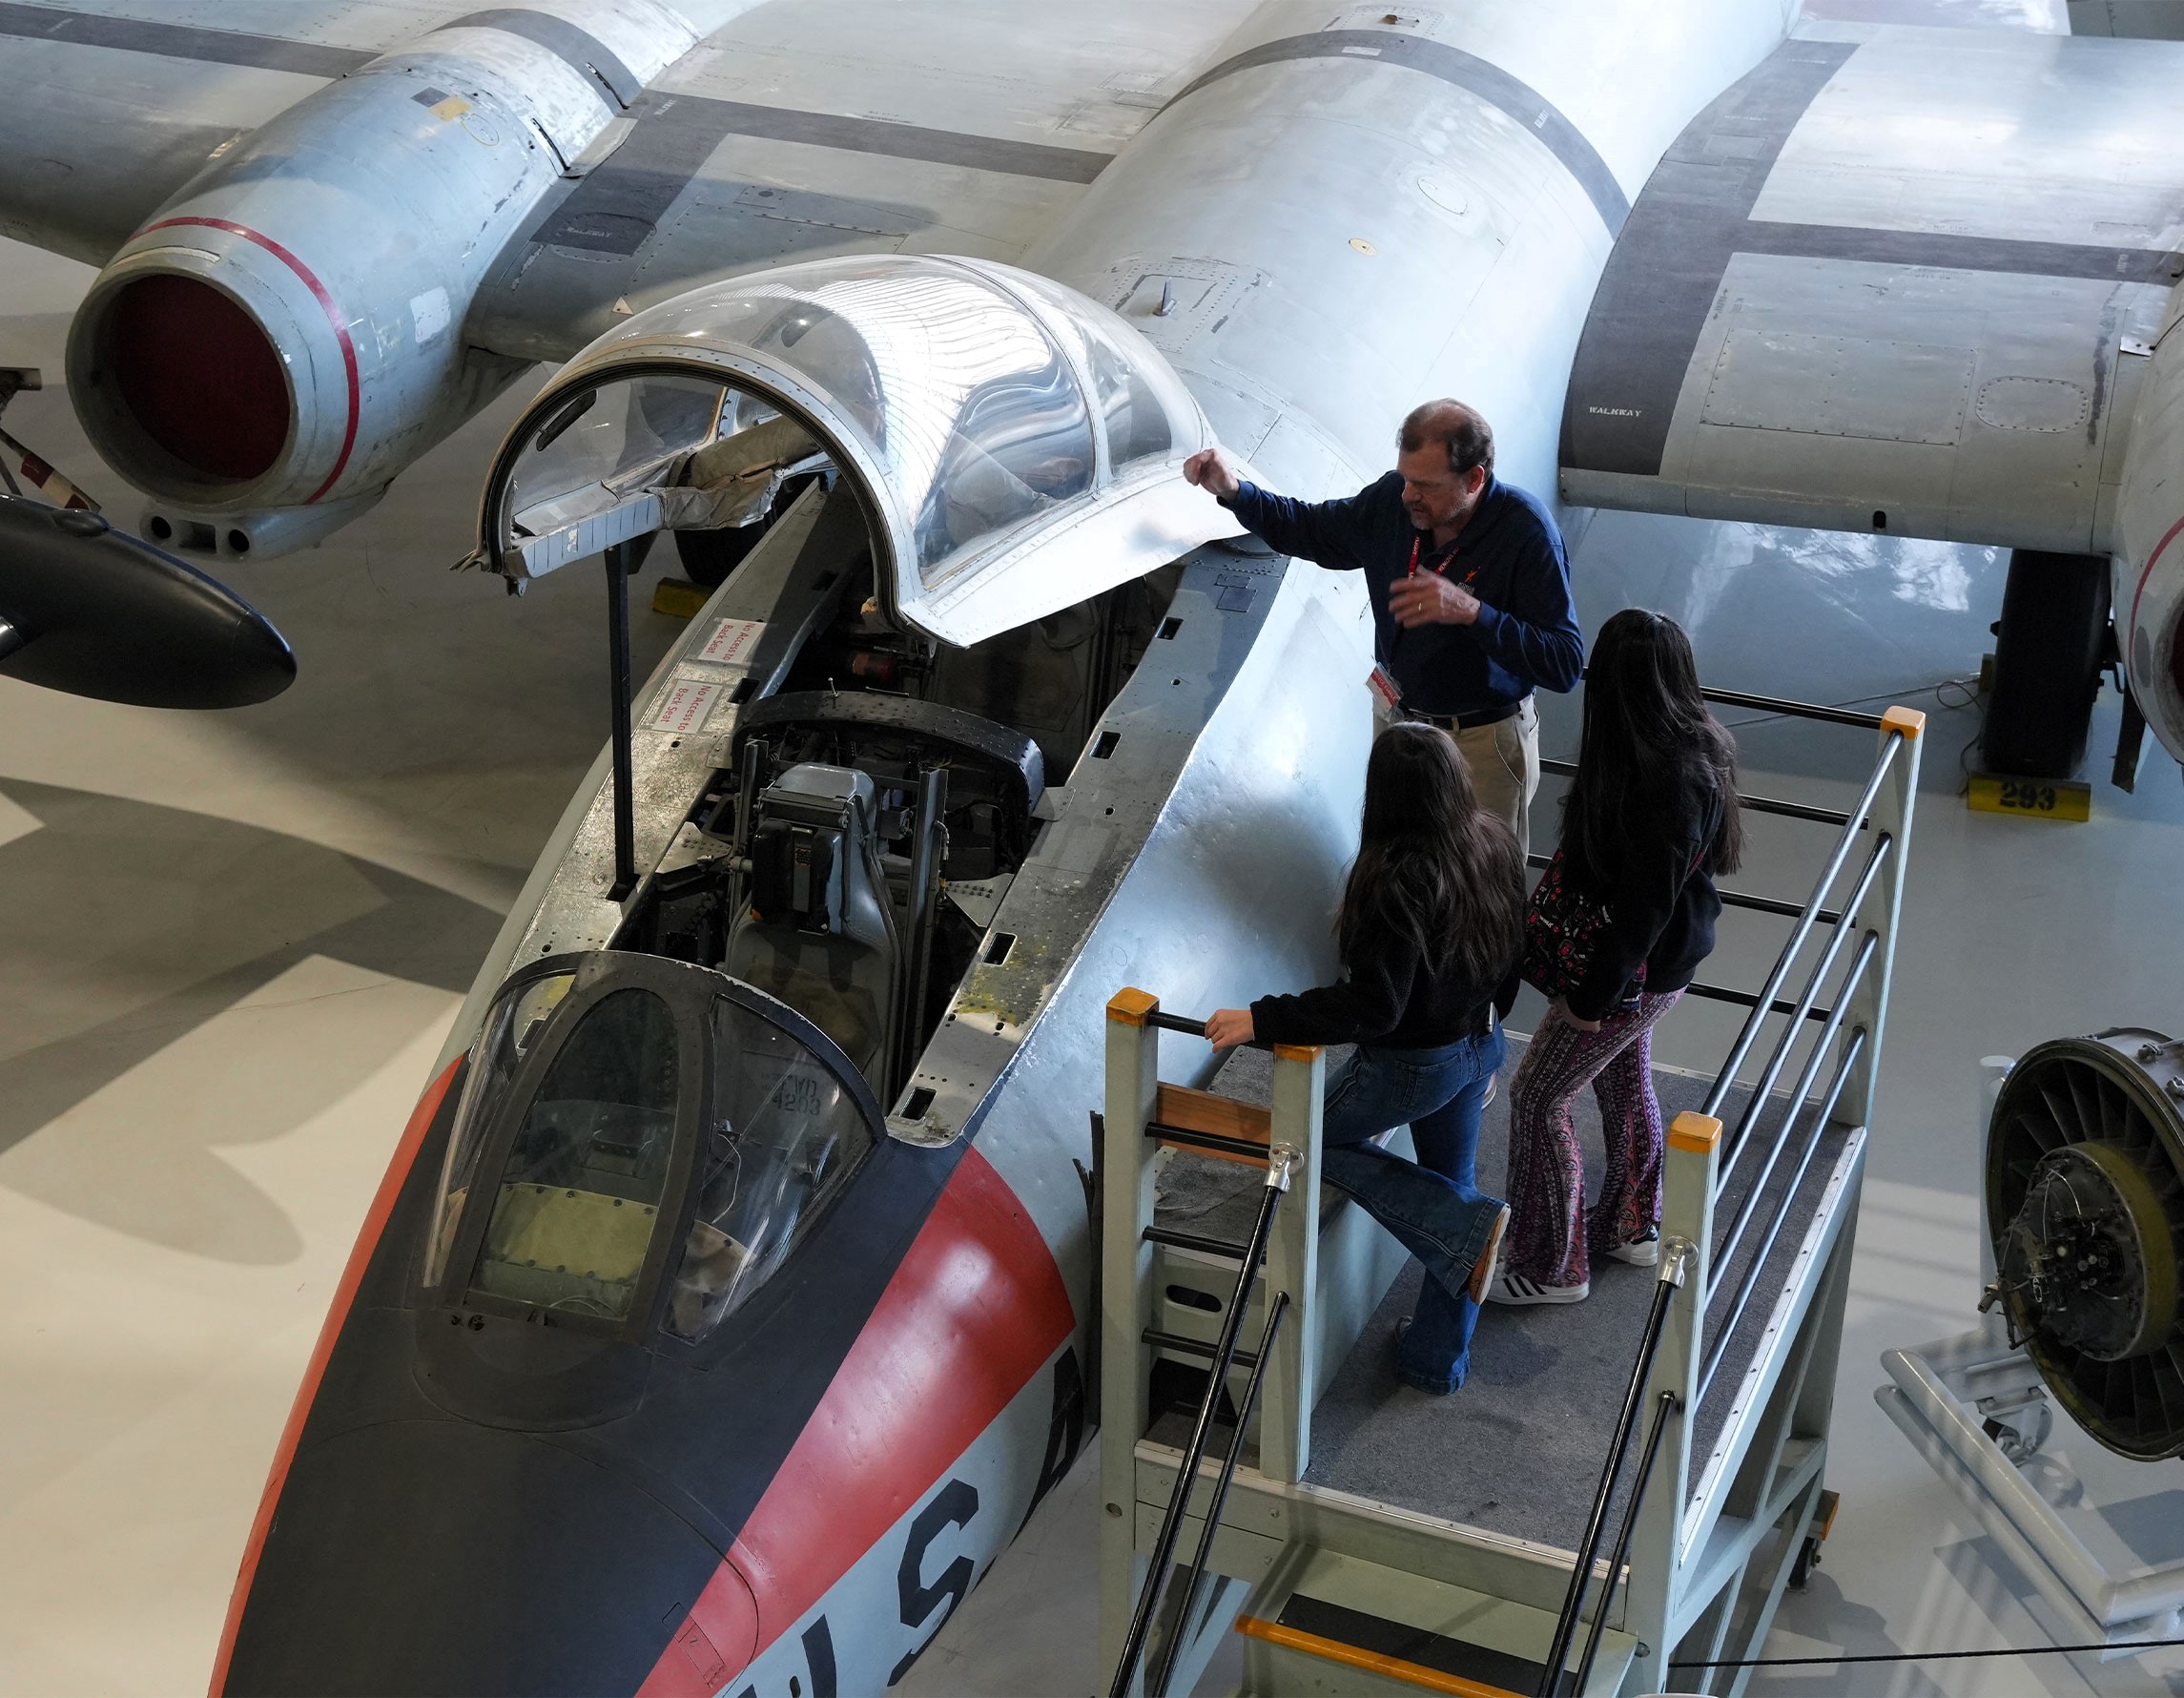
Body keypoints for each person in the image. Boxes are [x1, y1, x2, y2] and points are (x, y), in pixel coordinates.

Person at [1204, 722, 1525, 1394]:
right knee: (1454, 1181)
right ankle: (1435, 1360)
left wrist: (1263, 1018)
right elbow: (1512, 954)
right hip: (1480, 1040)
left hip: (1415, 1066)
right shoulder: (1492, 838)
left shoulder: (1398, 877)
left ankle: (1462, 1228)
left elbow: (1373, 1007)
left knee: (1297, 1142)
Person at [1184, 400, 1582, 853]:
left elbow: (1565, 663)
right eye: (1406, 477)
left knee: (1475, 891)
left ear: (1474, 479)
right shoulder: (1394, 502)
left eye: (1426, 485)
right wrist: (1235, 491)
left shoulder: (1526, 533)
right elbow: (1312, 529)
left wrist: (1474, 613)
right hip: (1399, 724)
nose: (1408, 494)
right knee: (1393, 863)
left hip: (1479, 742)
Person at [1490, 610, 1744, 1306]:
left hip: (1629, 974)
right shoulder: (1698, 747)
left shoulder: (1667, 777)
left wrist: (1588, 1002)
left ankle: (1551, 1266)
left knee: (1538, 1098)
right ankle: (1632, 1226)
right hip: (1663, 966)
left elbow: (1643, 910)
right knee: (1624, 1084)